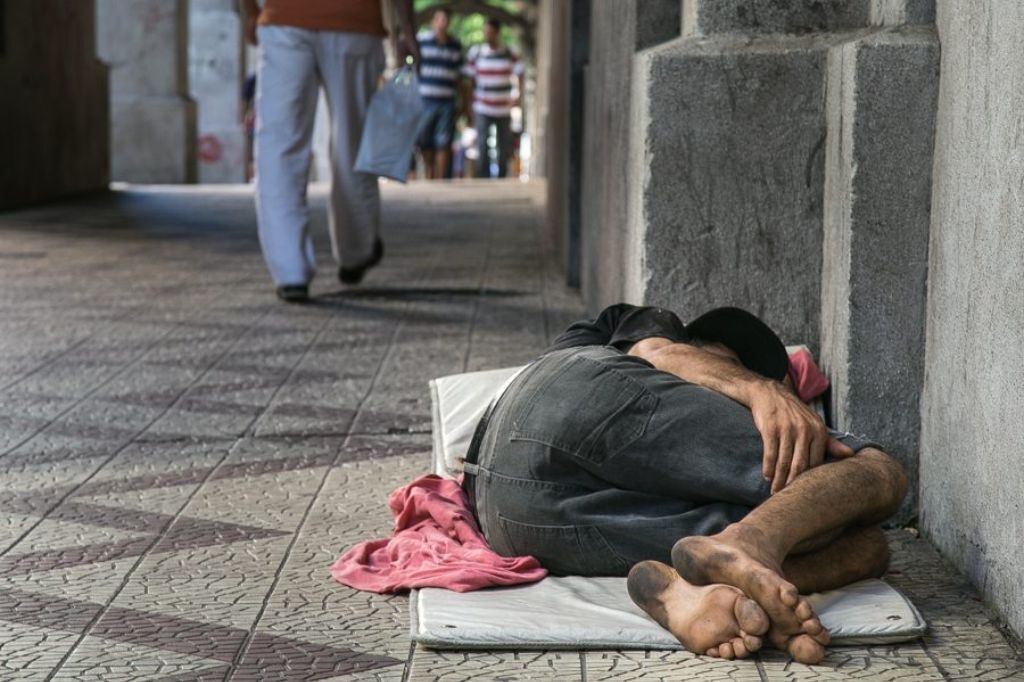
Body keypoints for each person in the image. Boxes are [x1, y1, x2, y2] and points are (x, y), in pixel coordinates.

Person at [462, 304, 907, 664]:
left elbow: (830, 521)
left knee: (864, 546)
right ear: (702, 345)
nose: (723, 401)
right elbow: (661, 354)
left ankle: (713, 592)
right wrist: (760, 390)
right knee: (875, 470)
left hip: (509, 521)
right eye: (729, 367)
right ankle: (749, 543)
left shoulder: (670, 467)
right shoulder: (643, 328)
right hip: (558, 400)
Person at [243, 0, 421, 303]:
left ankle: (290, 271)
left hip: (284, 18)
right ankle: (356, 250)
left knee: (279, 145)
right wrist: (407, 29)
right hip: (352, 19)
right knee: (352, 142)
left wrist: (250, 12)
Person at [463, 18, 523, 179]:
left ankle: (501, 179)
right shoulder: (476, 54)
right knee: (482, 145)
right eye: (485, 31)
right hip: (482, 107)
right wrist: (468, 105)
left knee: (503, 147)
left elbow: (520, 74)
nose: (487, 35)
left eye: (490, 32)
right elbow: (469, 81)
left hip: (503, 108)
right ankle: (483, 179)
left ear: (497, 33)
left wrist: (518, 96)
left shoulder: (509, 53)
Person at [415, 8, 463, 180]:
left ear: (448, 22)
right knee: (423, 141)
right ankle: (430, 171)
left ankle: (440, 179)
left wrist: (462, 102)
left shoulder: (456, 45)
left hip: (447, 100)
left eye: (445, 19)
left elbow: (459, 76)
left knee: (443, 142)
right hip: (425, 99)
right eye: (439, 19)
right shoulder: (421, 41)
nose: (442, 22)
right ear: (433, 22)